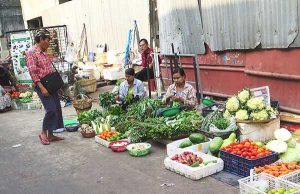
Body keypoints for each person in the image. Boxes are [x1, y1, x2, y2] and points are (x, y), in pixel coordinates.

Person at [26, 29, 64, 145]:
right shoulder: (31, 52)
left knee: (57, 108)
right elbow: (33, 73)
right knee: (51, 109)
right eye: (47, 40)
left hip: (51, 83)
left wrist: (58, 86)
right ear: (41, 39)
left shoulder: (44, 51)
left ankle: (51, 134)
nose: (48, 43)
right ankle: (43, 132)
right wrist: (42, 88)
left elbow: (50, 69)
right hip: (42, 84)